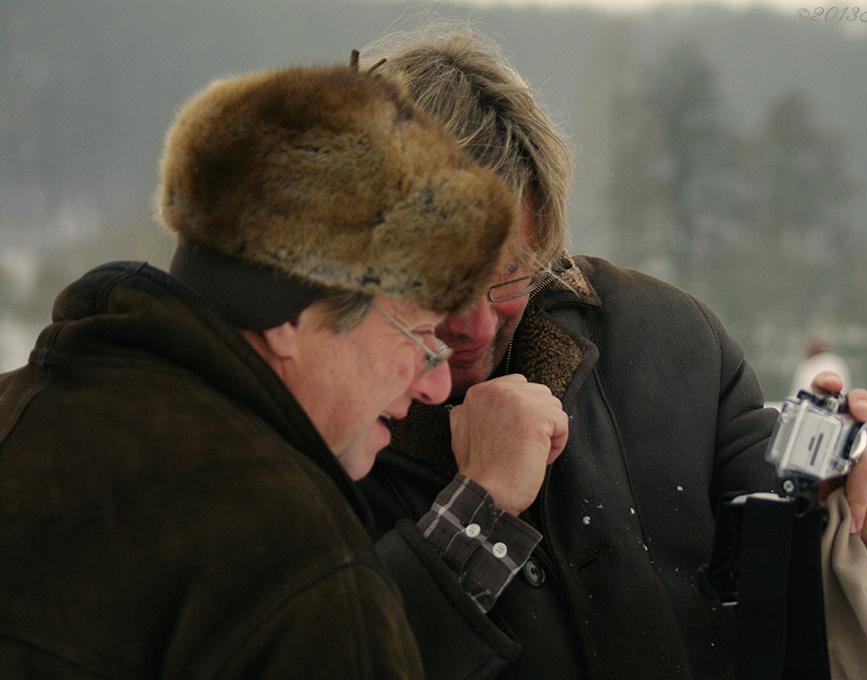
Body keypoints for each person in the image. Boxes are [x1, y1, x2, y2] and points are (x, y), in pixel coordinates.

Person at [357, 27, 867, 680]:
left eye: (508, 273)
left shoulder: (671, 341)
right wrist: (476, 513)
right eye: (437, 278)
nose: (476, 322)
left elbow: (826, 615)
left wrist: (856, 517)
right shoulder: (306, 414)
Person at [0, 57, 515, 677]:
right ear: (288, 313)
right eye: (421, 336)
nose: (435, 383)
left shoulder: (16, 417)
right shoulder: (297, 568)